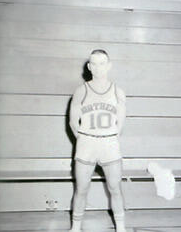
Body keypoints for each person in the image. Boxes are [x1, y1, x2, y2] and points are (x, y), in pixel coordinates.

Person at [69, 49, 127, 232]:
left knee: (115, 187)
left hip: (109, 143)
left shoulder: (118, 92)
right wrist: (87, 139)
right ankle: (76, 228)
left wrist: (106, 138)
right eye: (93, 63)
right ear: (89, 67)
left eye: (102, 63)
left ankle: (121, 227)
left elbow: (120, 125)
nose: (98, 67)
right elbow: (73, 122)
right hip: (87, 144)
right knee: (81, 188)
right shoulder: (80, 91)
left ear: (109, 66)